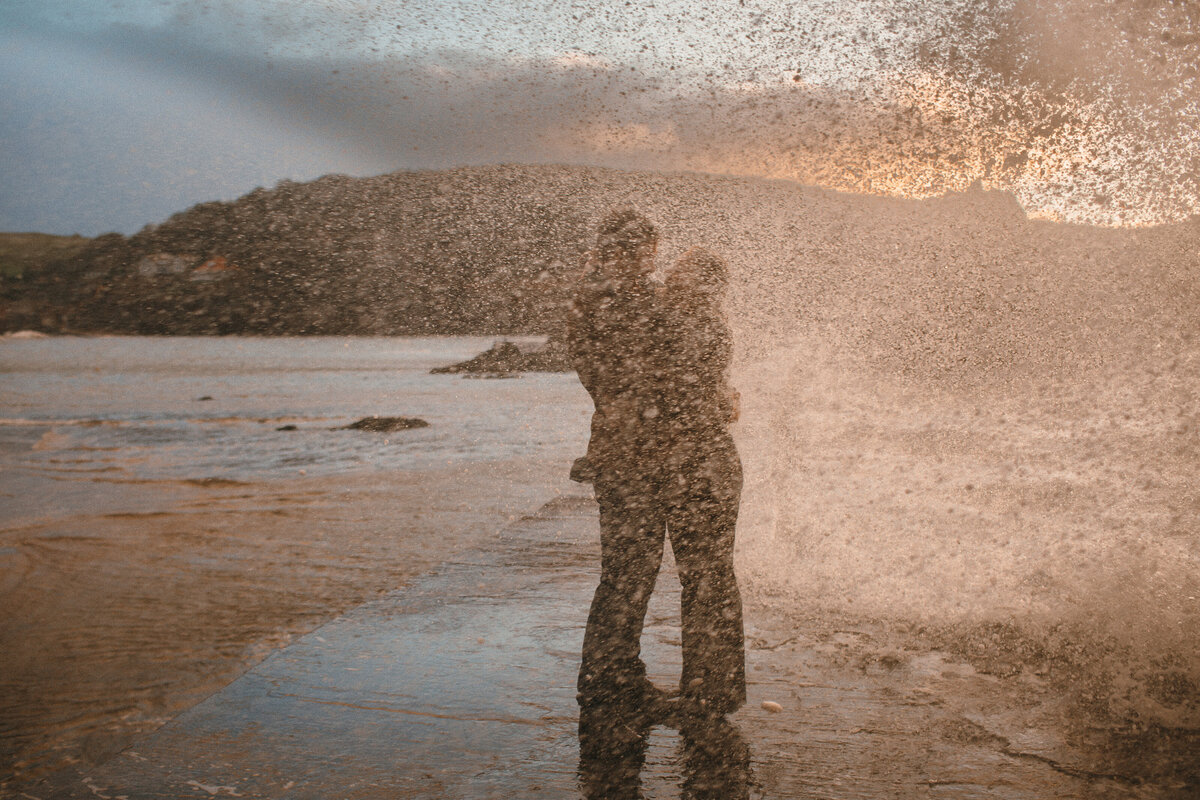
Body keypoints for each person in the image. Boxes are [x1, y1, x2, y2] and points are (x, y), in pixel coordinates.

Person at [568, 208, 671, 713]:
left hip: (614, 448)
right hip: (635, 453)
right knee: (632, 569)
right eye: (648, 251)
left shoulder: (589, 300)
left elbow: (603, 380)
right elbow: (653, 376)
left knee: (625, 569)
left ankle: (610, 676)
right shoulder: (634, 300)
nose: (652, 262)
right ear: (629, 252)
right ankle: (613, 682)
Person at [660, 248, 746, 718]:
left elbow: (686, 396)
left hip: (701, 466)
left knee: (705, 579)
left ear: (700, 282)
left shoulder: (694, 323)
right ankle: (713, 688)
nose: (670, 271)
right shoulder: (703, 320)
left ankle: (708, 690)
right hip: (708, 462)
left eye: (681, 268)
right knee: (709, 578)